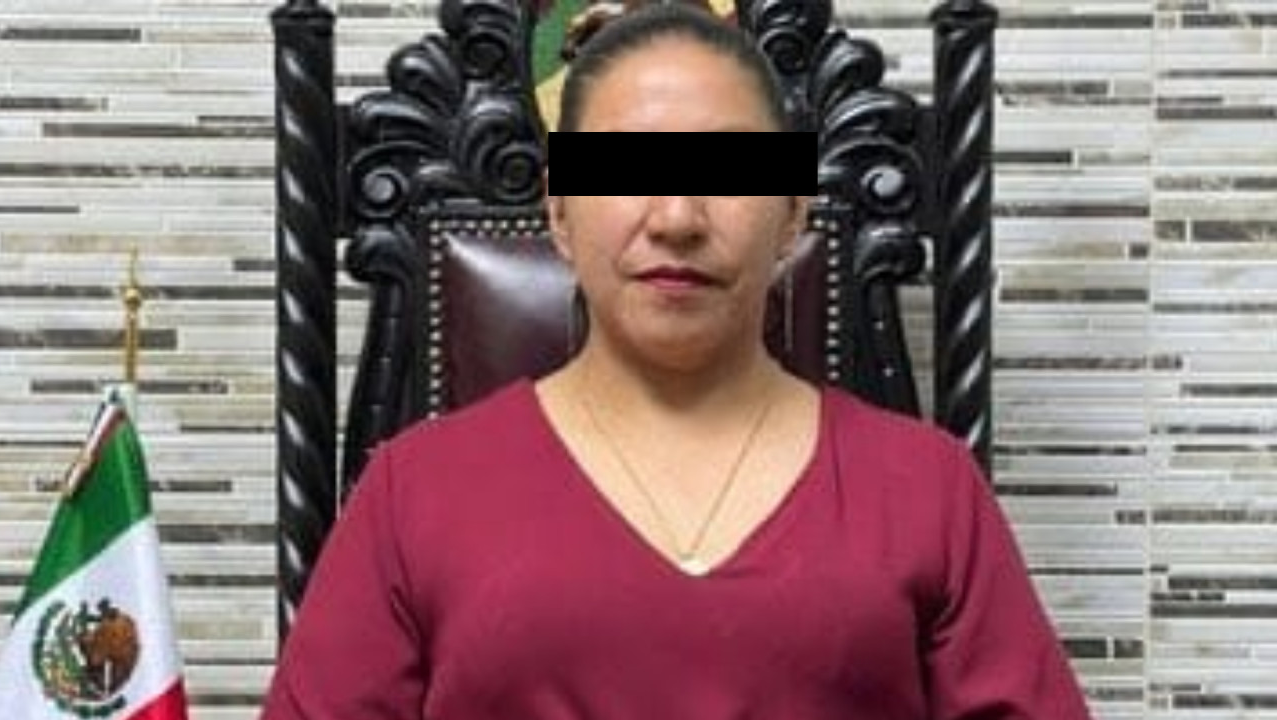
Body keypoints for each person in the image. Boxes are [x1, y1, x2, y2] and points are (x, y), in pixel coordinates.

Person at [260, 3, 1092, 718]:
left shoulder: (928, 492)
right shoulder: (414, 494)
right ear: (560, 212)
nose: (677, 219)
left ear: (792, 214)